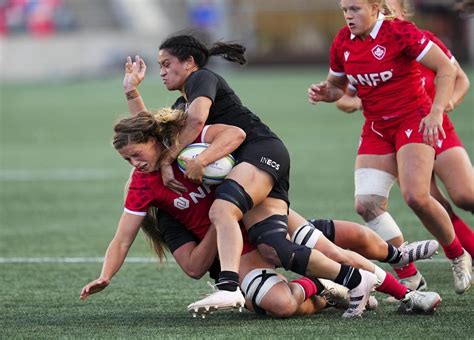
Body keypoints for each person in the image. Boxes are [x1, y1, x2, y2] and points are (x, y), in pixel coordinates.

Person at [121, 35, 381, 316]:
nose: (161, 71)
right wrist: (132, 92)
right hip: (243, 185)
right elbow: (148, 135)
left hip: (259, 161)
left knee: (324, 246)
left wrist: (175, 159)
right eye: (159, 65)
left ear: (189, 63)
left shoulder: (201, 80)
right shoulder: (181, 109)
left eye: (166, 64)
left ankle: (398, 286)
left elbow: (197, 123)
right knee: (282, 298)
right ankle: (331, 287)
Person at [307, 0, 472, 294]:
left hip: (414, 120)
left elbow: (448, 69)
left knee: (417, 197)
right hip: (377, 127)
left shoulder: (401, 33)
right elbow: (338, 88)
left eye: (355, 9)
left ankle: (458, 254)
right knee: (366, 204)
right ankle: (408, 272)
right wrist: (325, 92)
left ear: (375, 7)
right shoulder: (343, 41)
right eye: (345, 9)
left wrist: (437, 111)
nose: (348, 15)